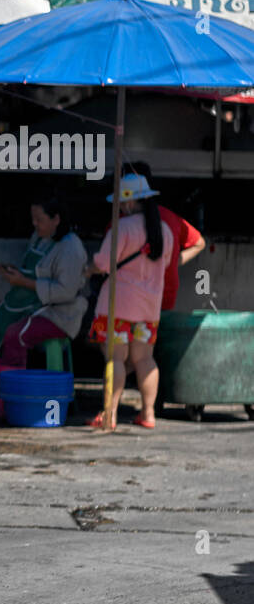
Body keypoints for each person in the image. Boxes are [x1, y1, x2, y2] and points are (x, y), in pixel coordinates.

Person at [0, 195, 87, 422]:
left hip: (59, 314)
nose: (35, 224)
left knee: (15, 333)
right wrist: (15, 274)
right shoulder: (40, 238)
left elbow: (65, 291)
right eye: (33, 219)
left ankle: (6, 400)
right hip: (34, 305)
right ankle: (2, 375)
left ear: (56, 219)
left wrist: (23, 283)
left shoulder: (71, 248)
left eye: (39, 219)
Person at [85, 173, 173, 431]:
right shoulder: (164, 230)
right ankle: (148, 414)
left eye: (123, 202)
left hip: (118, 306)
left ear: (131, 202)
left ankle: (109, 415)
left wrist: (88, 270)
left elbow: (102, 263)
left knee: (116, 359)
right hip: (149, 308)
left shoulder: (122, 227)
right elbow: (166, 264)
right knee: (145, 360)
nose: (121, 207)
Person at [124, 163, 206, 311]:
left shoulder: (121, 224)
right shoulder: (170, 218)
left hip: (134, 300)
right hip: (163, 296)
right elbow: (199, 243)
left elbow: (106, 264)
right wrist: (173, 261)